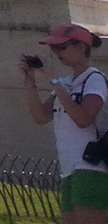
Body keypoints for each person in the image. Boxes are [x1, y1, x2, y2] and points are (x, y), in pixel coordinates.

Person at [20, 24, 108, 224]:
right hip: (69, 168)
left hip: (92, 167)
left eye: (62, 47)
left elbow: (83, 119)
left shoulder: (94, 79)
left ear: (81, 47)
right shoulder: (66, 82)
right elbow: (41, 116)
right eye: (53, 48)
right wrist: (29, 80)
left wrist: (54, 83)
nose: (56, 52)